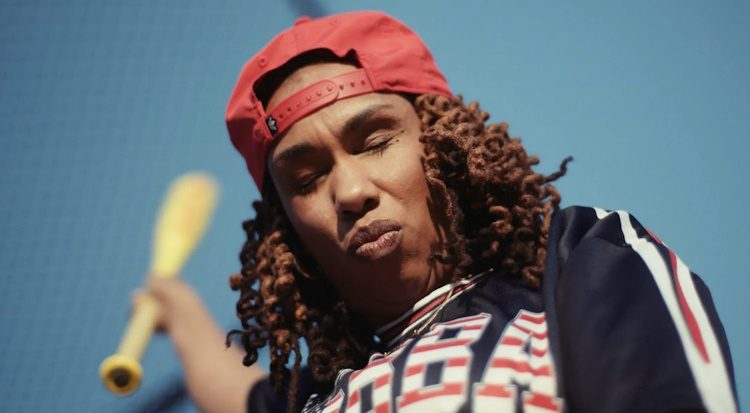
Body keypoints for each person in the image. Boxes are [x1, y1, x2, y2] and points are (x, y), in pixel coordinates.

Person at [148, 11, 738, 413]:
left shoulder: (579, 259)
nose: (350, 190)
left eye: (375, 141)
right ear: (287, 233)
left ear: (444, 147)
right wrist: (173, 306)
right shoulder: (311, 395)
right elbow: (232, 390)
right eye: (306, 178)